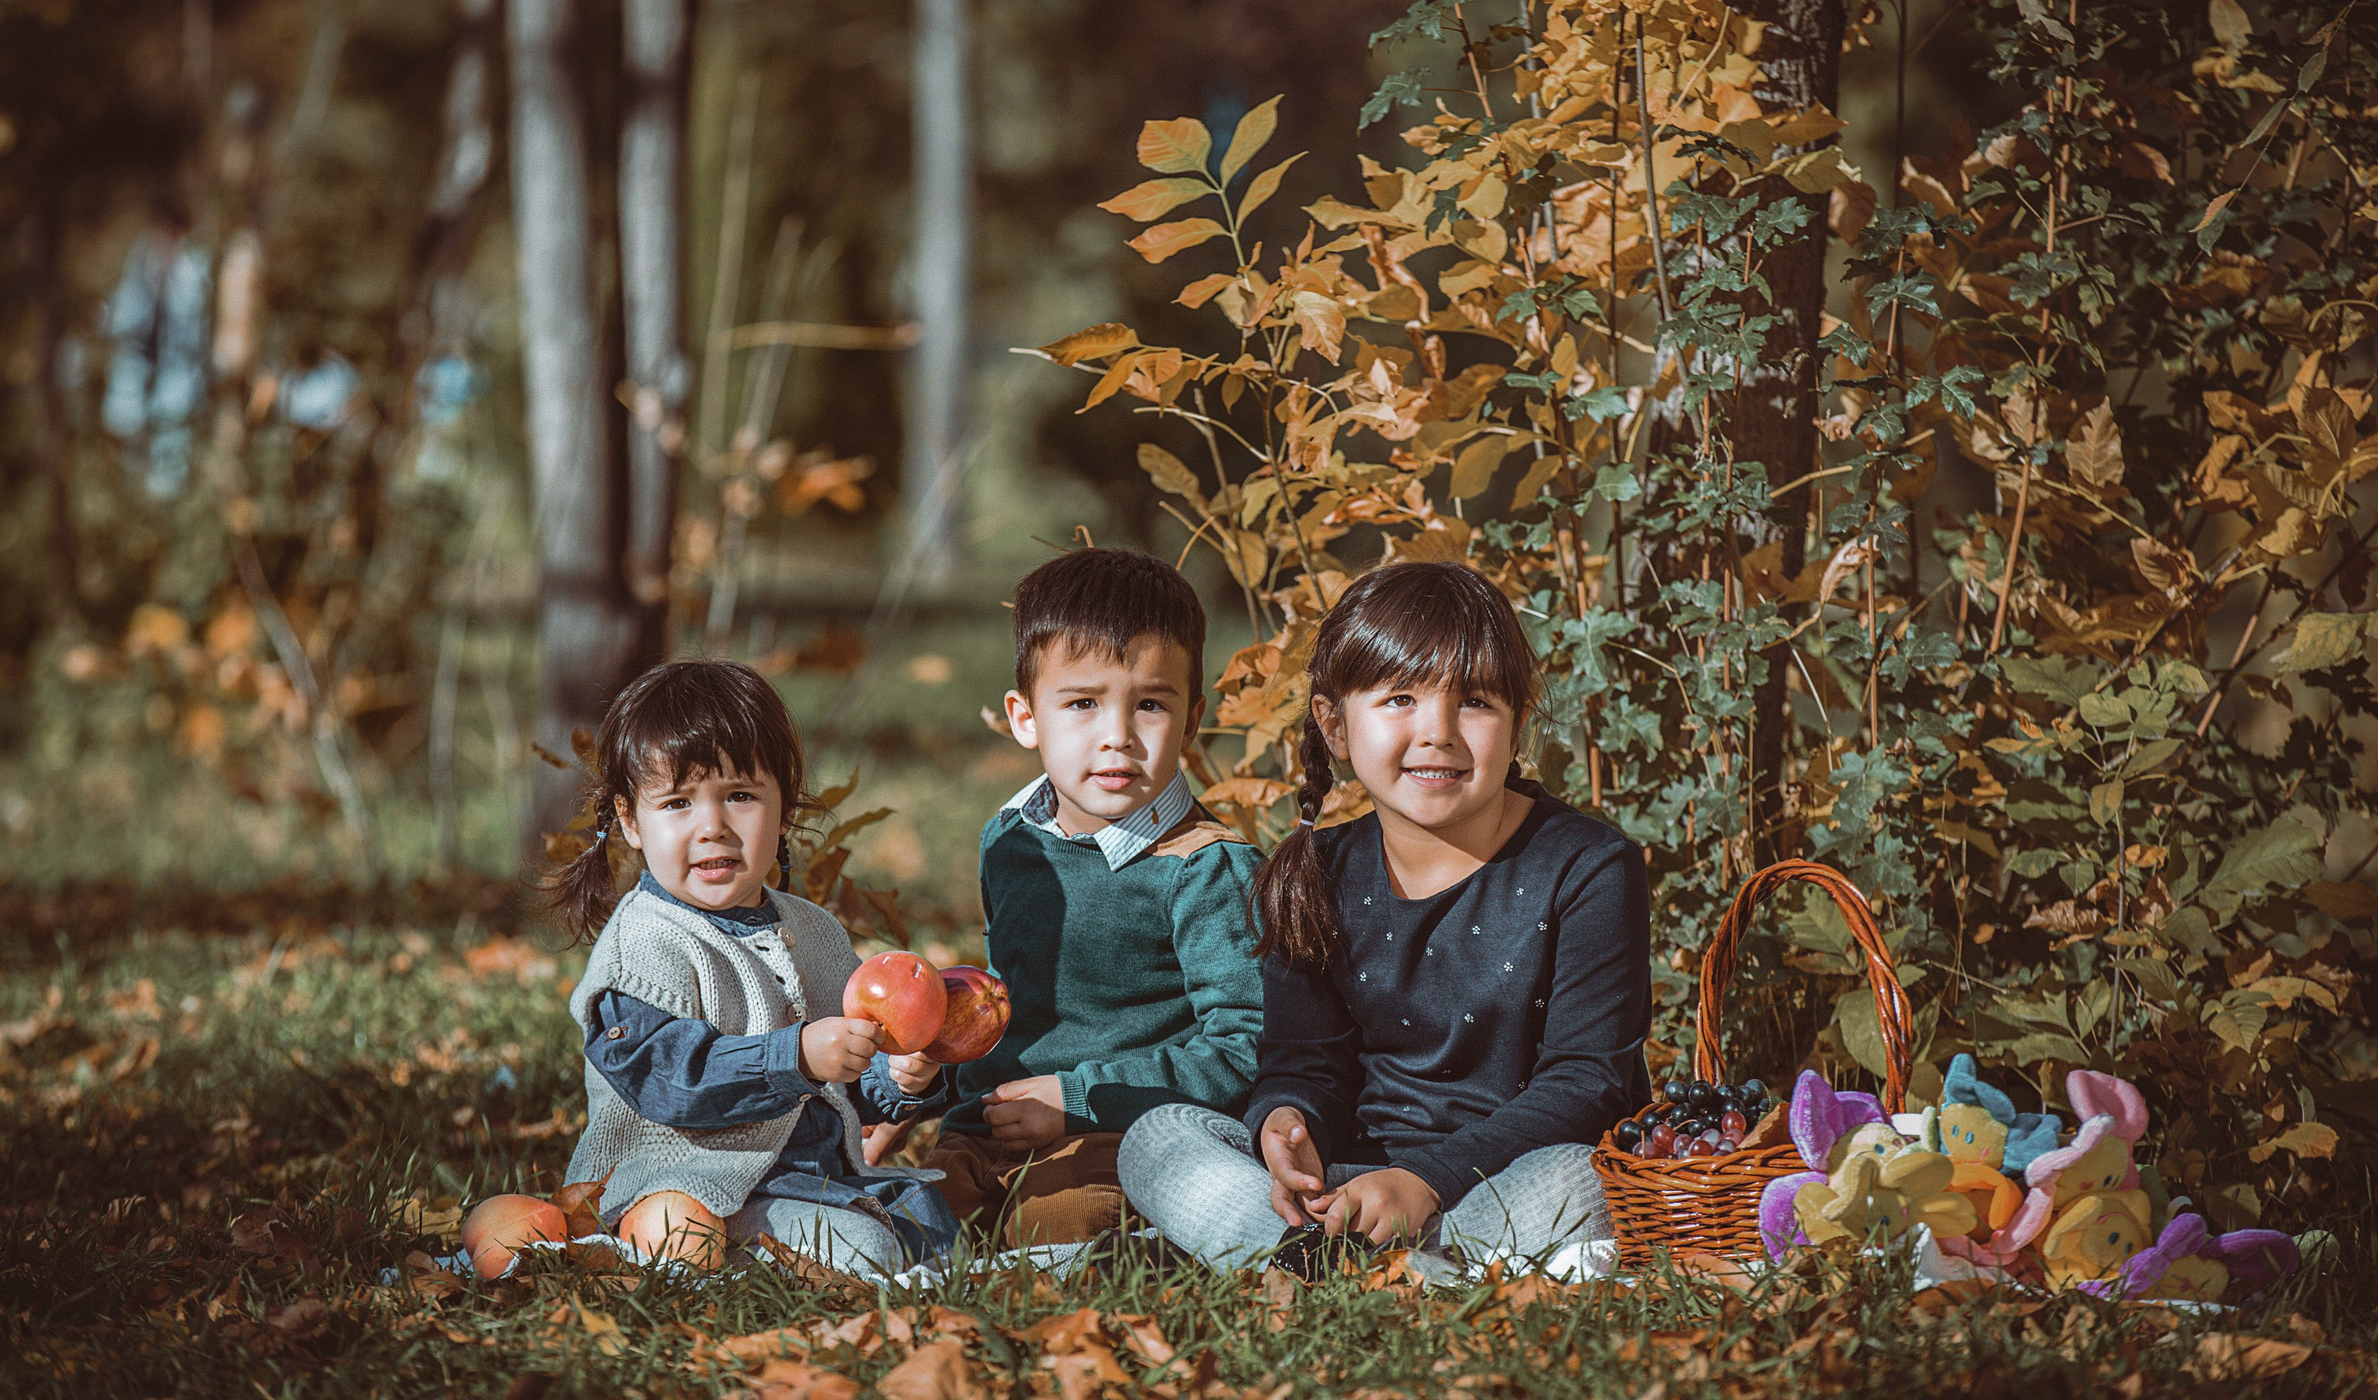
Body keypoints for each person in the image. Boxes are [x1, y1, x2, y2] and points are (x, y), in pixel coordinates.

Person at [1119, 560, 1647, 1272]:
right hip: (1353, 1188)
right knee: (1159, 1135)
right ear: (1334, 725)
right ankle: (1345, 1260)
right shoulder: (1313, 873)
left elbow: (1586, 1086)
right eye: (1400, 698)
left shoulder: (1588, 866)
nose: (1438, 732)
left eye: (1475, 702)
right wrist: (1287, 1121)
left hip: (1499, 1181)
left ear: (1519, 720)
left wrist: (1425, 1181)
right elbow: (1305, 1063)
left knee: (1584, 1177)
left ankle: (1309, 1266)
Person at [469, 659, 960, 1281]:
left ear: (784, 806)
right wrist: (796, 1057)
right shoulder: (643, 946)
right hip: (688, 1182)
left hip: (814, 1179)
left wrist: (898, 1077)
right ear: (630, 821)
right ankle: (659, 1245)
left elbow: (843, 1084)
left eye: (740, 796)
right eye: (678, 802)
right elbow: (671, 1080)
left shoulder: (814, 933)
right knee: (868, 1251)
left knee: (934, 1222)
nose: (713, 827)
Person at [888, 547, 1266, 1247]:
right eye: (1083, 703)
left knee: (1055, 1231)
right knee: (902, 1225)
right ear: (1025, 717)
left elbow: (1244, 1045)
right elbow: (1011, 1001)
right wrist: (928, 1073)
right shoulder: (1011, 840)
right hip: (989, 1123)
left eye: (1150, 704)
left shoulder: (1205, 867)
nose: (1117, 736)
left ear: (1191, 721)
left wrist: (1079, 1099)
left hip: (1122, 1132)